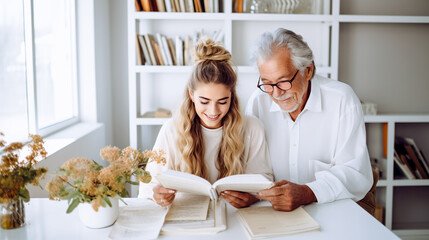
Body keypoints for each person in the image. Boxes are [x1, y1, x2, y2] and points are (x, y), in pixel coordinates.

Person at [245, 28, 373, 211]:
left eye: (283, 81)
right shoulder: (258, 102)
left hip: (334, 208)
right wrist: (248, 192)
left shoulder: (342, 99)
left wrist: (307, 192)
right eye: (267, 83)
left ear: (308, 70)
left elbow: (355, 172)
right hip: (274, 210)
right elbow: (252, 166)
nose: (276, 93)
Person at [138, 39, 273, 208]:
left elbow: (264, 181)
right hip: (187, 217)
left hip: (234, 216)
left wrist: (253, 197)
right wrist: (157, 195)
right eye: (204, 101)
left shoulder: (252, 128)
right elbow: (147, 188)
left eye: (223, 102)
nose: (213, 111)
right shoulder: (171, 130)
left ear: (232, 96)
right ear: (191, 94)